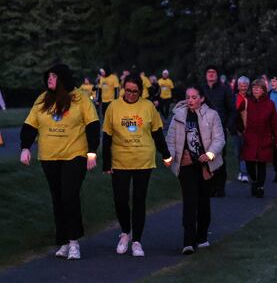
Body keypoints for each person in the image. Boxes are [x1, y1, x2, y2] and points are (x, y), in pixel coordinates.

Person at [19, 64, 100, 260]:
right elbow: (30, 125)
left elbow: (92, 125)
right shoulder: (42, 99)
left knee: (69, 195)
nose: (50, 79)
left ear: (63, 78)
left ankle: (74, 242)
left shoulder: (80, 98)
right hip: (49, 157)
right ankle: (63, 241)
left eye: (54, 76)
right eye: (48, 76)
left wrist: (92, 152)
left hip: (74, 155)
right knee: (57, 199)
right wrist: (25, 147)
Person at [102, 74, 171, 257]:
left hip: (143, 160)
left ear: (140, 91)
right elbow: (107, 136)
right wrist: (106, 162)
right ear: (124, 88)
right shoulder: (113, 107)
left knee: (139, 200)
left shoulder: (148, 107)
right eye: (128, 90)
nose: (131, 94)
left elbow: (157, 133)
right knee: (120, 199)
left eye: (135, 91)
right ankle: (125, 232)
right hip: (120, 160)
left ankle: (137, 241)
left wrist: (166, 154)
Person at [166, 87, 225, 254]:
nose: (190, 100)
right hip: (185, 163)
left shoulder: (212, 115)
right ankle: (188, 241)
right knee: (189, 200)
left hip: (205, 164)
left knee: (203, 201)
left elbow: (219, 138)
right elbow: (171, 139)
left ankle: (202, 236)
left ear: (202, 98)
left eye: (194, 97)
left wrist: (210, 154)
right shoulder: (179, 116)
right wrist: (170, 157)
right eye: (188, 97)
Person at [240, 79, 277, 197]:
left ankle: (260, 186)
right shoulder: (247, 102)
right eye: (254, 88)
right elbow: (239, 116)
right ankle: (254, 181)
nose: (255, 90)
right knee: (249, 163)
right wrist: (239, 129)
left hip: (264, 138)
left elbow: (275, 123)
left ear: (264, 90)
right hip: (250, 137)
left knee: (262, 163)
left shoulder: (270, 104)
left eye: (258, 88)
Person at [200, 65, 235, 197]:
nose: (211, 74)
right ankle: (209, 187)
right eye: (208, 72)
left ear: (217, 74)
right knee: (205, 158)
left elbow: (232, 109)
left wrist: (228, 125)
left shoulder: (225, 89)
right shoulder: (201, 89)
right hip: (203, 129)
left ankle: (220, 188)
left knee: (219, 158)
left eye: (213, 72)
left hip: (219, 129)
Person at [232, 76, 251, 183]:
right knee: (237, 152)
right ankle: (241, 170)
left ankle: (244, 173)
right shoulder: (234, 98)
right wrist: (235, 129)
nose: (243, 88)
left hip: (248, 130)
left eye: (245, 86)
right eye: (241, 86)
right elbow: (233, 115)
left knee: (245, 151)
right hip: (236, 130)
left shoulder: (251, 98)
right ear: (238, 86)